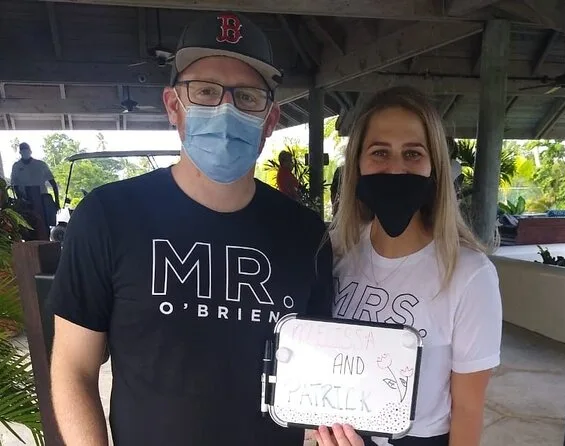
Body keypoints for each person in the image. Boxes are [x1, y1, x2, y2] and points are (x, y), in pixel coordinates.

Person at [48, 12, 335, 446]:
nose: (225, 108)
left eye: (247, 97)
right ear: (173, 106)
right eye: (204, 91)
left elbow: (320, 374)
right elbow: (74, 367)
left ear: (270, 119)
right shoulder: (108, 216)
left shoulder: (307, 235)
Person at [329, 86, 503, 446]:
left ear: (434, 168)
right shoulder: (337, 253)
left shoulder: (470, 275)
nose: (396, 168)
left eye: (412, 153)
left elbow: (468, 411)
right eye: (380, 152)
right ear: (357, 166)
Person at [10, 142, 60, 239]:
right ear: (20, 152)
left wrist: (56, 202)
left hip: (42, 200)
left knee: (44, 227)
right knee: (29, 229)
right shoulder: (16, 166)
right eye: (22, 150)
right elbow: (15, 186)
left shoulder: (40, 164)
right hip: (25, 201)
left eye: (26, 149)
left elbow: (53, 184)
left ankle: (46, 243)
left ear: (30, 151)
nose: (25, 152)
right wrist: (22, 200)